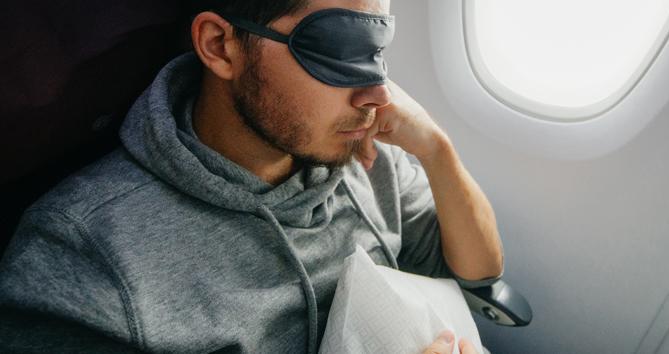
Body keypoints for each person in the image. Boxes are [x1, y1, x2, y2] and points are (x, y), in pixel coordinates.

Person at [0, 0, 503, 352]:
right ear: (220, 45)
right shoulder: (83, 255)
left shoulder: (364, 156)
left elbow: (477, 273)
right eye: (337, 52)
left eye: (377, 52)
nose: (379, 96)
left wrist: (439, 150)